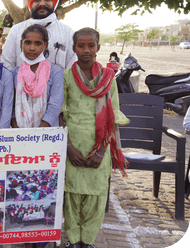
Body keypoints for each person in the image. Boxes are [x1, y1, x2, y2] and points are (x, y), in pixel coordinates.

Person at [60, 28, 129, 248]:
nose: (86, 50)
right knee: (70, 196)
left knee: (96, 197)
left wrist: (101, 151)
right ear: (74, 48)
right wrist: (69, 147)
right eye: (81, 45)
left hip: (100, 148)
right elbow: (61, 114)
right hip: (73, 145)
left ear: (98, 48)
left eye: (91, 45)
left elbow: (113, 115)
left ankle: (87, 241)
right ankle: (72, 240)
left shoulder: (109, 78)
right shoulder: (66, 76)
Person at [1, 0, 76, 71]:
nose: (42, 3)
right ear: (30, 2)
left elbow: (72, 69)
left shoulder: (68, 33)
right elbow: (6, 66)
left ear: (54, 1)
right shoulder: (16, 31)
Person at [11, 24, 64, 129]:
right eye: (28, 42)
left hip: (47, 133)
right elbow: (11, 107)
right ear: (21, 44)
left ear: (46, 45)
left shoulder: (54, 72)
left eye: (38, 43)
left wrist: (39, 133)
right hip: (20, 135)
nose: (32, 48)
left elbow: (55, 105)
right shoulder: (14, 73)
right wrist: (20, 133)